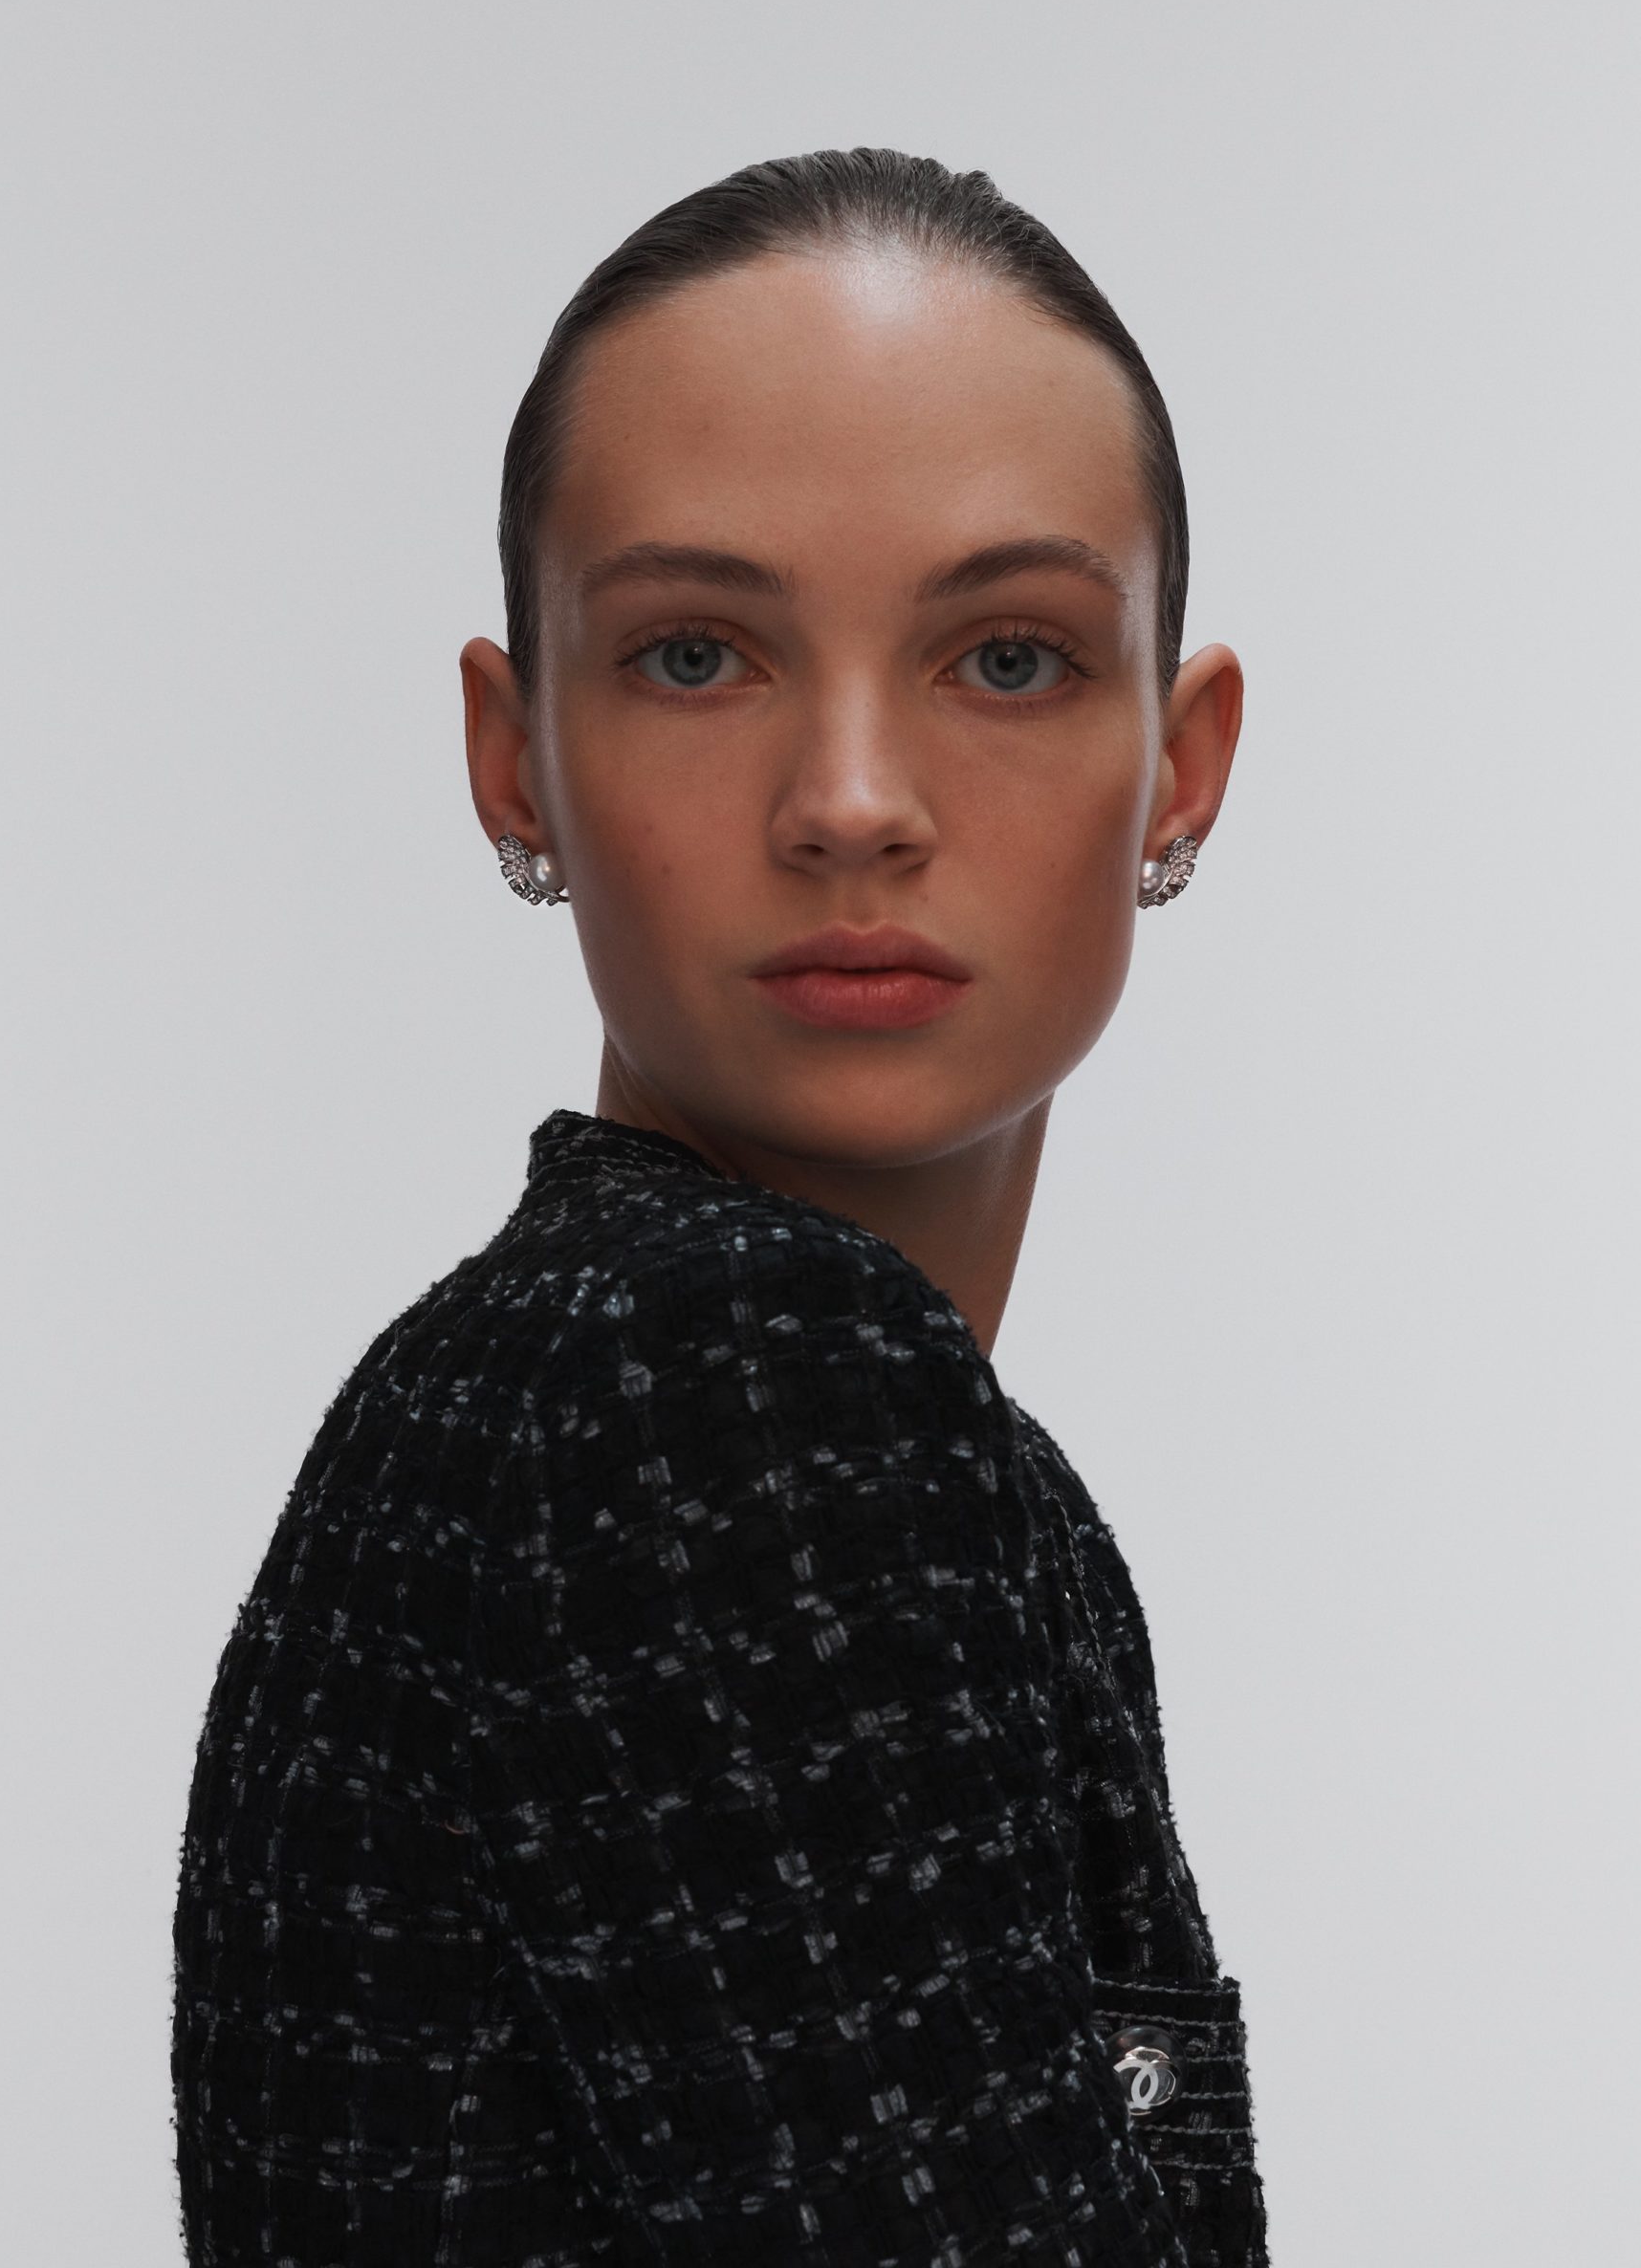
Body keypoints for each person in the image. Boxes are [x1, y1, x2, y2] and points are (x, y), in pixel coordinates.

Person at [172, 146, 1265, 2265]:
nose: (850, 803)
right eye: (695, 654)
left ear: (1180, 762)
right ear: (515, 757)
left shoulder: (551, 1380)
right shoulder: (718, 1382)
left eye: (1008, 657)